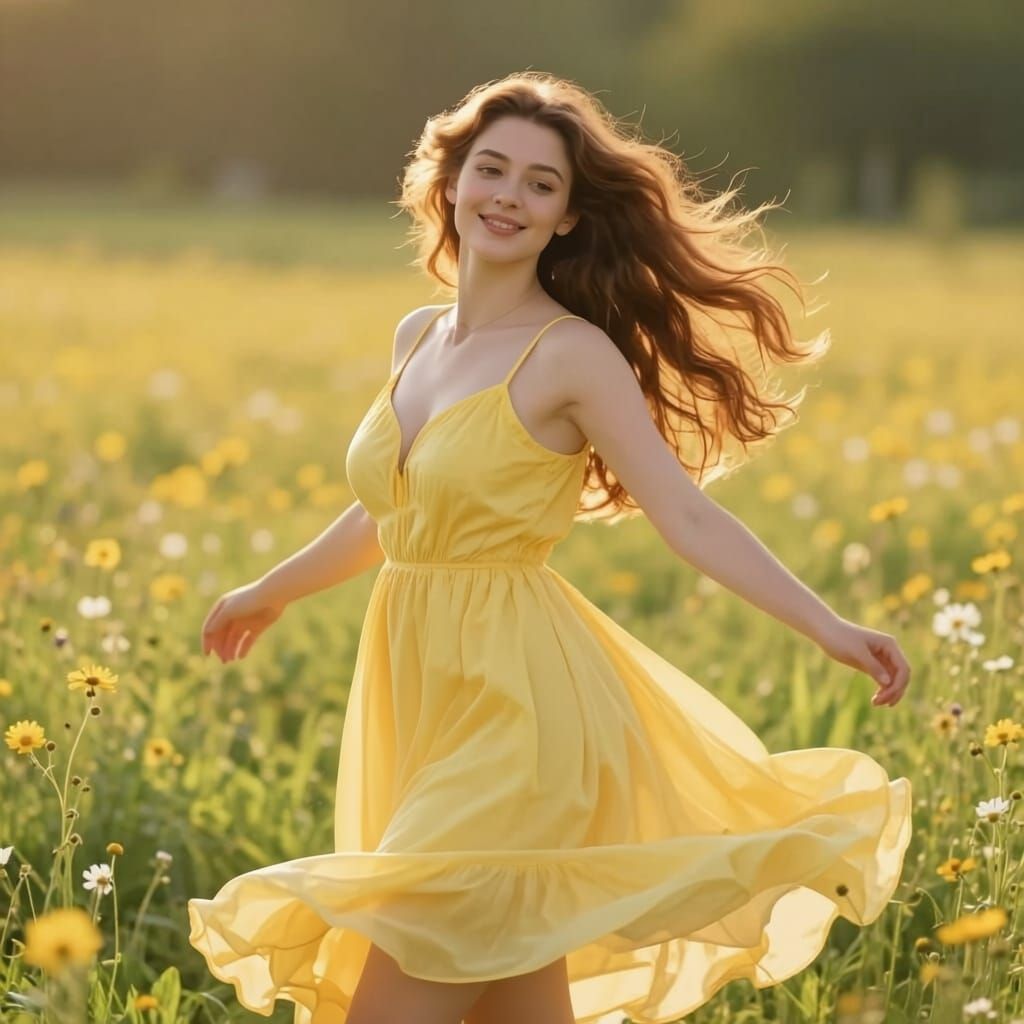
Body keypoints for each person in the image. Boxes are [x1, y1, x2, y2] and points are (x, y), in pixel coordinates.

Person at [188, 71, 912, 1024]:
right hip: (422, 698)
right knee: (511, 1003)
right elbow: (389, 518)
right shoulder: (415, 338)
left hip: (519, 716)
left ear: (568, 217)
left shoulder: (571, 356)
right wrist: (269, 590)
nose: (509, 197)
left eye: (540, 184)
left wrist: (827, 626)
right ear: (448, 183)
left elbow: (686, 517)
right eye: (491, 170)